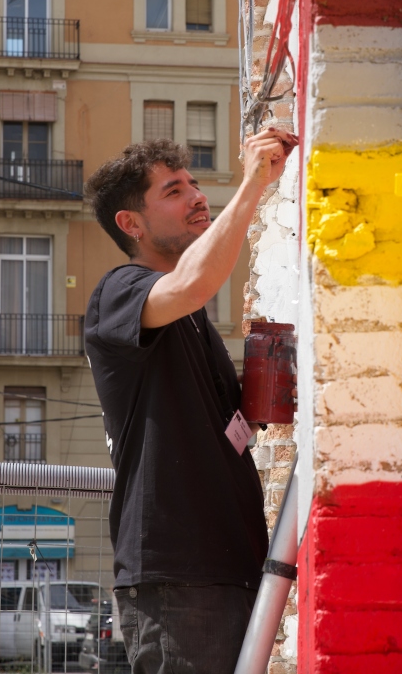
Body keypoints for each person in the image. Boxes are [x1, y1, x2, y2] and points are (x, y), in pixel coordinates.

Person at [83, 128, 298, 674]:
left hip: (229, 568)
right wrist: (254, 182)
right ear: (131, 224)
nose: (197, 197)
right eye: (174, 191)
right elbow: (196, 282)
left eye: (194, 183)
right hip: (179, 575)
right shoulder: (119, 293)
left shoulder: (191, 317)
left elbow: (228, 425)